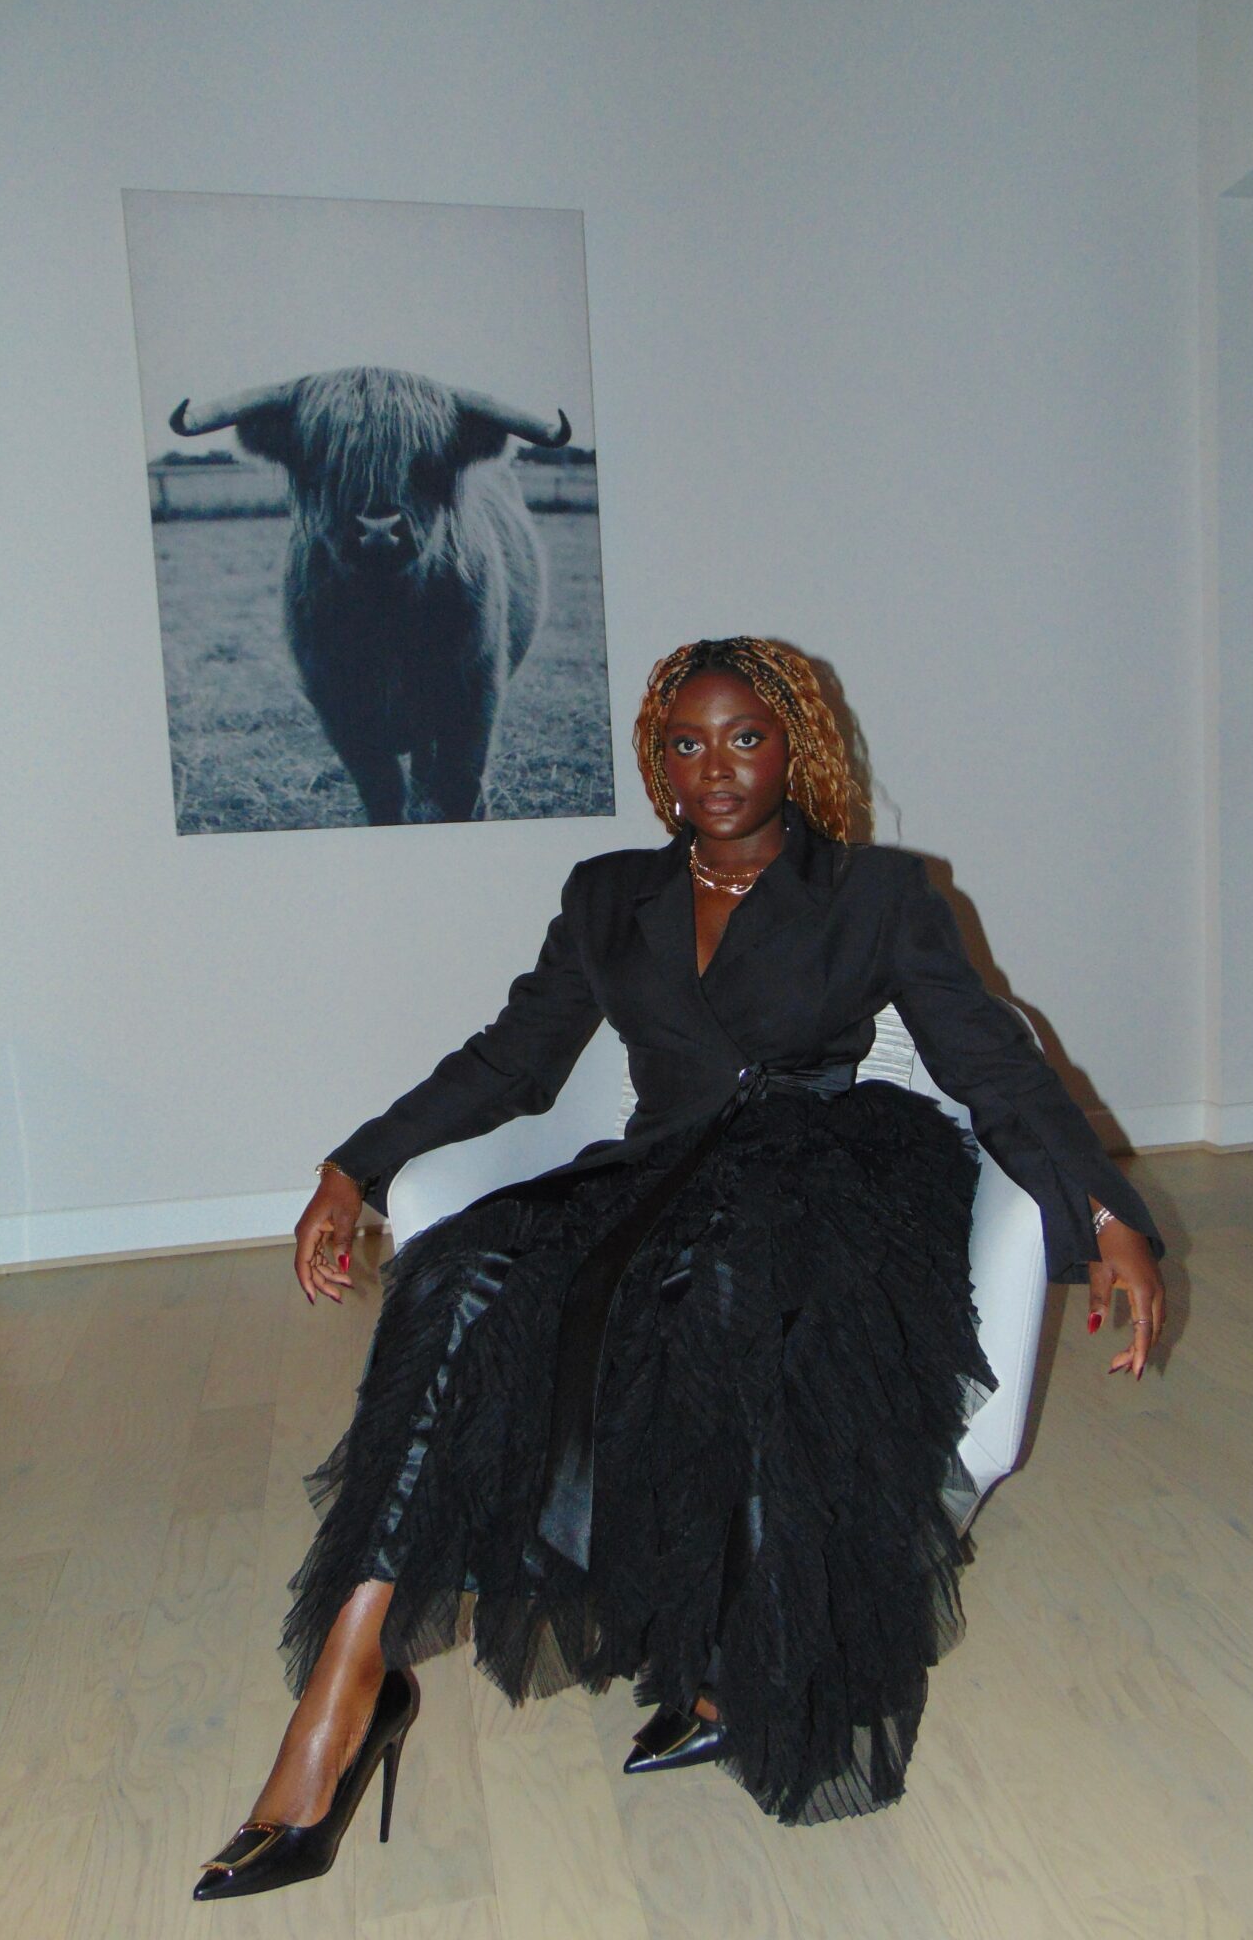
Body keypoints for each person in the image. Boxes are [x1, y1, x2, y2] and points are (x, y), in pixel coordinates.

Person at [193, 636, 1166, 1899]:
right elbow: (511, 1060)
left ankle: (726, 1656)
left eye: (745, 737)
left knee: (722, 1285)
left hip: (825, 1169)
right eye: (687, 743)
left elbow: (992, 1063)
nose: (717, 767)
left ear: (796, 746)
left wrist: (1107, 1213)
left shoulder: (878, 891)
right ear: (659, 761)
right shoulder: (610, 894)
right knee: (460, 1277)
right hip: (655, 1169)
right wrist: (356, 1162)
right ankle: (350, 1679)